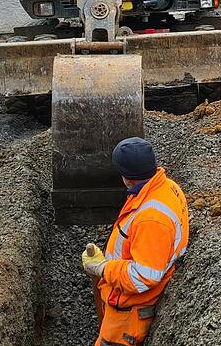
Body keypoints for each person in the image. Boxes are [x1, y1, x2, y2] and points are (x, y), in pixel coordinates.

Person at [81, 137, 189, 346]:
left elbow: (143, 276)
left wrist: (103, 268)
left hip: (128, 315)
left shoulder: (152, 219)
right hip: (126, 304)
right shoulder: (165, 187)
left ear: (126, 177)